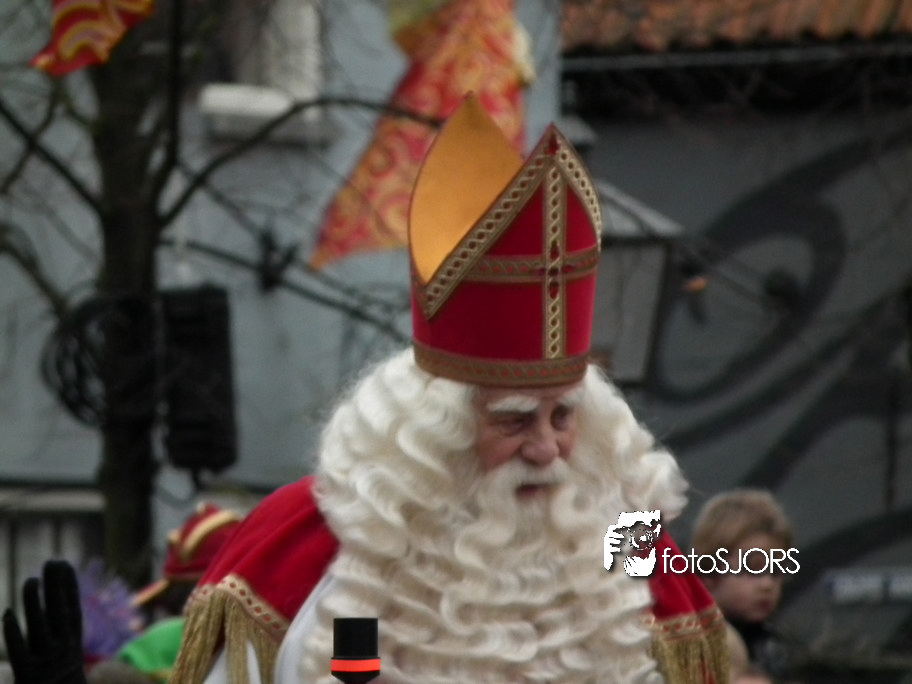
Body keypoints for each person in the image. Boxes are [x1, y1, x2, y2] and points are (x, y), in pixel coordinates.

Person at [170, 94, 730, 684]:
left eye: (563, 416)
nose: (546, 449)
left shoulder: (635, 550)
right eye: (514, 420)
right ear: (438, 431)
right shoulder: (305, 541)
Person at [691, 489, 799, 682]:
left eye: (776, 572)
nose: (767, 585)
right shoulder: (687, 645)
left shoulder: (775, 649)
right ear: (708, 572)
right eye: (753, 569)